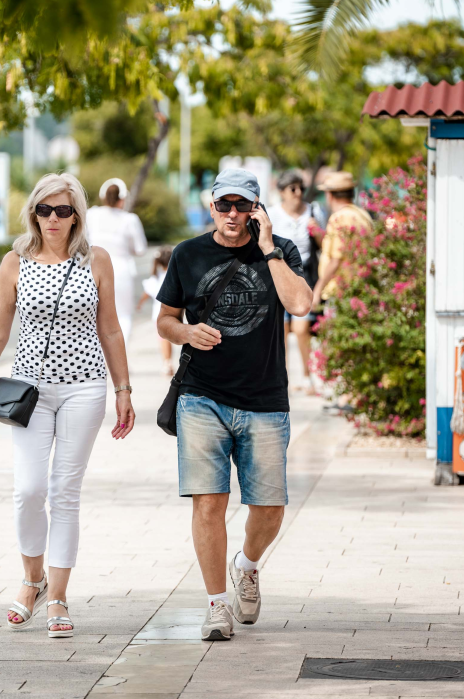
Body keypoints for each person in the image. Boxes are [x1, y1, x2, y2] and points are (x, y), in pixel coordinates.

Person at [0, 173, 136, 639]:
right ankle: (32, 579)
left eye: (63, 210)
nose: (53, 219)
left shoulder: (96, 260)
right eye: (45, 210)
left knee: (64, 493)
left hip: (85, 388)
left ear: (76, 215)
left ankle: (57, 596)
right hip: (29, 393)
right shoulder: (14, 262)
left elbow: (110, 328)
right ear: (33, 213)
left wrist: (123, 389)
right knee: (29, 489)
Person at [156, 167, 313, 642]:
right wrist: (186, 332)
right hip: (201, 397)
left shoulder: (280, 250)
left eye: (241, 205)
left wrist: (268, 249)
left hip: (265, 399)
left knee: (269, 508)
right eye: (223, 204)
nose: (231, 213)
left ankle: (246, 564)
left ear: (255, 209)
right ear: (211, 206)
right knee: (209, 503)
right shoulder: (187, 254)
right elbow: (165, 320)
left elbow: (300, 304)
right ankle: (216, 605)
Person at [267, 170, 325, 395]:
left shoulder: (313, 211)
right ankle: (282, 380)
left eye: (301, 187)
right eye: (293, 188)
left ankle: (308, 377)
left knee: (302, 329)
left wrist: (317, 232)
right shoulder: (272, 214)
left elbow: (324, 244)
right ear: (282, 192)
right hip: (279, 275)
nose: (298, 192)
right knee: (280, 330)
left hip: (305, 275)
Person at [85, 178, 148, 345]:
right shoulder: (129, 219)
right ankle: (120, 355)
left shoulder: (91, 215)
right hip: (121, 270)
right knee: (123, 315)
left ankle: (99, 355)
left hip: (93, 268)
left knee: (95, 316)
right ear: (122, 198)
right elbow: (140, 249)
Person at [311, 171, 374, 306]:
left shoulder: (339, 217)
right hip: (360, 286)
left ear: (329, 195)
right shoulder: (363, 215)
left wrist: (318, 290)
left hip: (341, 291)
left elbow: (336, 259)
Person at [137, 245, 175, 375]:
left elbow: (147, 293)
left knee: (163, 339)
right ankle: (169, 362)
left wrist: (140, 304)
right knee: (169, 339)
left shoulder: (156, 277)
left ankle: (167, 362)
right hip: (175, 313)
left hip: (159, 315)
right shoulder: (174, 275)